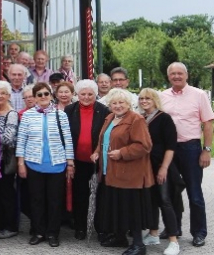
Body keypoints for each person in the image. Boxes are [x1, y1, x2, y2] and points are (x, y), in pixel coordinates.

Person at [91, 88, 154, 255]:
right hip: (109, 171)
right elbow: (104, 138)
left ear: (129, 104)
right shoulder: (110, 118)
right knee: (116, 206)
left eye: (121, 102)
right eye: (114, 103)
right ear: (109, 104)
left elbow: (144, 146)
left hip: (129, 173)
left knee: (131, 208)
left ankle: (139, 245)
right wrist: (97, 151)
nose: (118, 106)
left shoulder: (136, 119)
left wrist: (122, 153)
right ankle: (120, 238)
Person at [160, 62, 212, 248]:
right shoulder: (162, 96)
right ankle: (174, 228)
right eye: (172, 73)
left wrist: (206, 149)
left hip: (190, 148)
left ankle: (199, 232)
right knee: (172, 191)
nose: (176, 76)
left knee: (194, 193)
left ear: (186, 75)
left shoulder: (199, 95)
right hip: (169, 149)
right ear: (168, 76)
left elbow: (207, 123)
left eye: (180, 73)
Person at [16, 82, 74, 248]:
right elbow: (21, 139)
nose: (43, 97)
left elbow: (68, 139)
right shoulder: (27, 115)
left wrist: (70, 162)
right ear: (34, 97)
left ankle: (53, 233)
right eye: (39, 94)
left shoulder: (60, 115)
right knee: (36, 200)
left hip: (57, 164)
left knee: (55, 201)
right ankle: (39, 231)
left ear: (51, 95)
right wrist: (20, 162)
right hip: (34, 164)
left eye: (46, 94)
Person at [63, 79, 109, 240]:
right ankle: (80, 226)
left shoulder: (104, 111)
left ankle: (100, 227)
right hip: (77, 160)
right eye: (83, 94)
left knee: (100, 194)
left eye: (90, 94)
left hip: (98, 160)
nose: (87, 97)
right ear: (77, 94)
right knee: (80, 194)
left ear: (95, 95)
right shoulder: (70, 109)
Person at [139, 88, 181, 255]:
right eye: (141, 98)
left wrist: (164, 168)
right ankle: (153, 233)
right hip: (144, 166)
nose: (144, 101)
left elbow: (171, 146)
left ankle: (173, 240)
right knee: (150, 200)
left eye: (148, 98)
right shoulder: (140, 118)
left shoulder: (164, 118)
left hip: (161, 165)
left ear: (155, 99)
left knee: (165, 200)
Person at [0, 81, 19, 240]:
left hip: (5, 160)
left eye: (3, 93)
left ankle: (11, 226)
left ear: (8, 96)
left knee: (7, 193)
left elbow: (8, 138)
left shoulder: (11, 114)